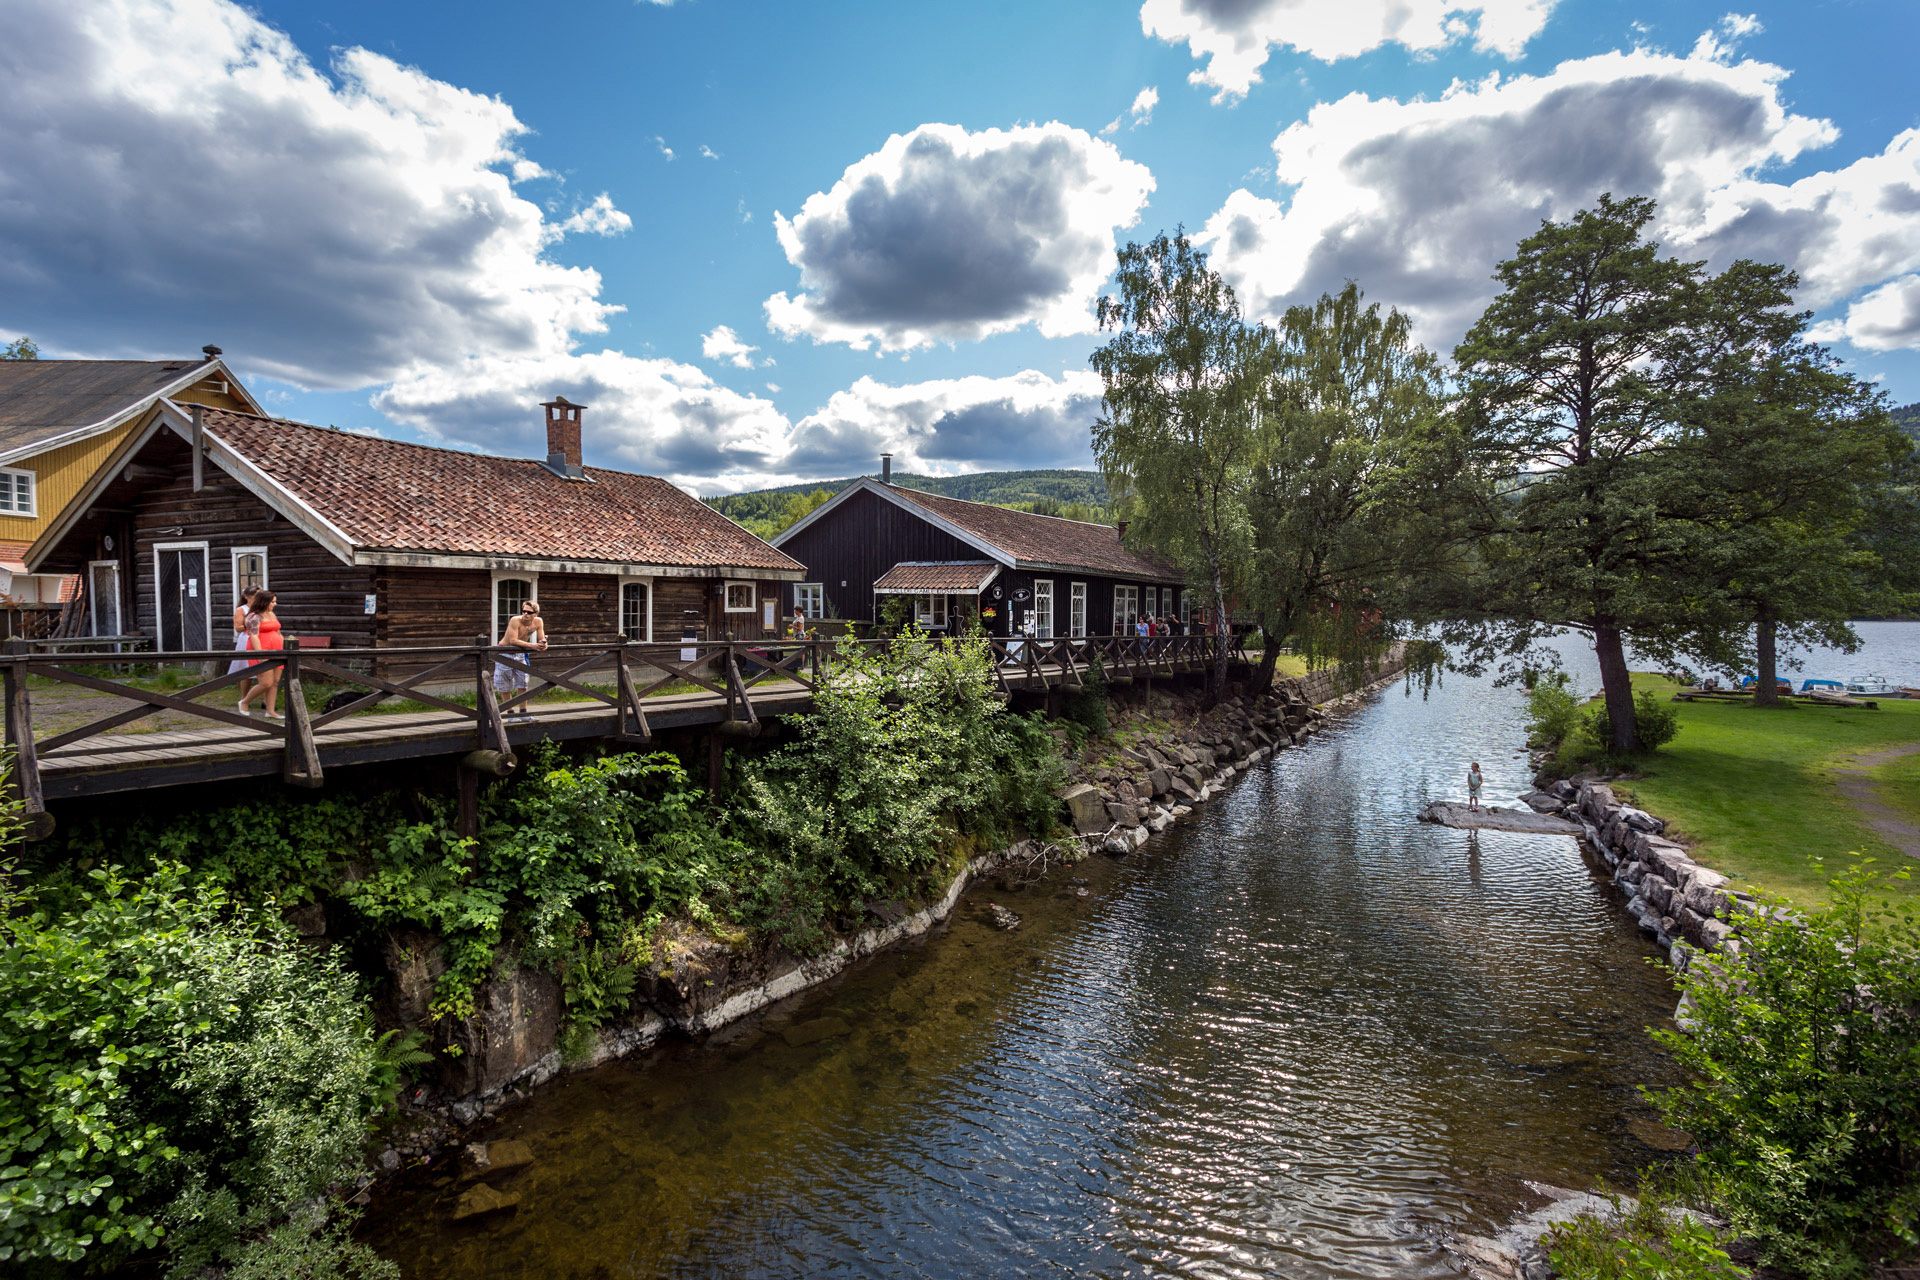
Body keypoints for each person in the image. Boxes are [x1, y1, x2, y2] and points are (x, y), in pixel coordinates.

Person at [494, 599, 548, 725]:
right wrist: (532, 646)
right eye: (523, 611)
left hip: (520, 653)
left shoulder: (538, 622)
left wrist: (543, 645)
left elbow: (541, 639)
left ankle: (523, 713)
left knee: (523, 682)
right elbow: (513, 640)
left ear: (535, 614)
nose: (525, 614)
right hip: (504, 652)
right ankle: (511, 713)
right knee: (504, 684)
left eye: (529, 612)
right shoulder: (515, 620)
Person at [237, 590, 283, 719]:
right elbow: (254, 636)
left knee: (275, 681)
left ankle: (270, 710)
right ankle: (245, 702)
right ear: (264, 602)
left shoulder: (272, 614)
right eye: (272, 602)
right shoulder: (253, 616)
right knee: (266, 682)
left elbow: (278, 632)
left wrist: (283, 646)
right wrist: (260, 654)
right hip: (262, 649)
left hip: (277, 650)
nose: (275, 604)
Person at [229, 591, 260, 709]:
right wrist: (251, 625)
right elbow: (238, 628)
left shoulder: (260, 608)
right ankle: (244, 697)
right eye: (255, 595)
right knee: (246, 668)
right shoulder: (241, 610)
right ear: (247, 596)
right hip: (246, 639)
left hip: (260, 638)